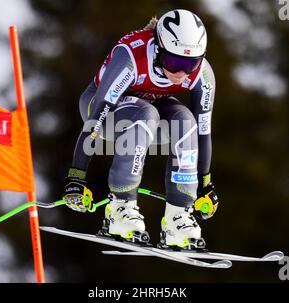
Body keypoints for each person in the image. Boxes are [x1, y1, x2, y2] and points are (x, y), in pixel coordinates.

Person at [62, 9, 219, 250]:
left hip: (149, 110)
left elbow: (203, 130)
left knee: (186, 121)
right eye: (174, 62)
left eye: (190, 64)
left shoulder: (202, 74)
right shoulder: (131, 57)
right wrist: (76, 177)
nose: (181, 74)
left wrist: (205, 184)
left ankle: (178, 217)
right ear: (158, 49)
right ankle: (120, 208)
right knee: (146, 113)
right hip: (103, 110)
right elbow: (96, 119)